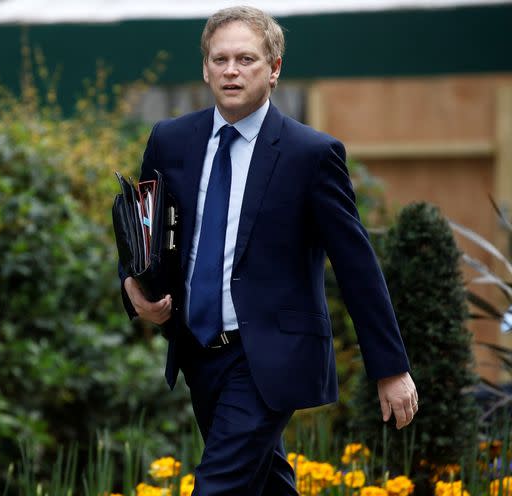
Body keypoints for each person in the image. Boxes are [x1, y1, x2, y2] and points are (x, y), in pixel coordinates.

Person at [119, 6, 418, 495]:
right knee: (265, 484)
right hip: (197, 351)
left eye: (245, 59)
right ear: (205, 67)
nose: (231, 71)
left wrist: (390, 367)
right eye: (220, 60)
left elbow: (356, 264)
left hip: (269, 357)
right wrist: (134, 287)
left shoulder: (311, 155)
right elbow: (141, 231)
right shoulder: (171, 141)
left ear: (274, 69)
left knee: (216, 486)